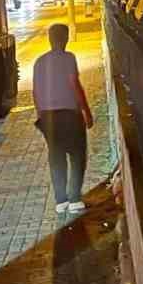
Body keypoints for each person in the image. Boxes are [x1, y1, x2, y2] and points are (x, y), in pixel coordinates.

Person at [32, 23, 94, 214]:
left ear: (50, 39)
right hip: (70, 114)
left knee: (56, 156)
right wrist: (86, 111)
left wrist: (40, 114)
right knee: (77, 155)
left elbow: (35, 91)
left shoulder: (39, 61)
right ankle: (74, 198)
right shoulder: (69, 58)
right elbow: (74, 84)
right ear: (65, 38)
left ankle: (61, 201)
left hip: (48, 116)